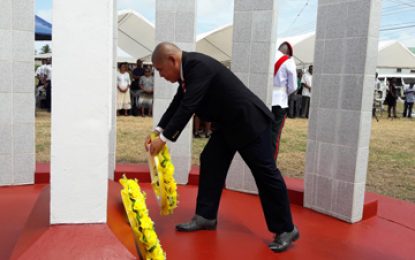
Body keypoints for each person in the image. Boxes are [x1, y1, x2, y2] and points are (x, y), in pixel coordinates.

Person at [145, 42, 299, 253]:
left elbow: (188, 106)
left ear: (172, 60)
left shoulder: (198, 66)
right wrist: (158, 130)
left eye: (160, 69)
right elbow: (177, 103)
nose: (160, 75)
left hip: (249, 123)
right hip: (228, 125)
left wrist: (163, 139)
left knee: (266, 174)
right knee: (211, 160)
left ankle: (286, 229)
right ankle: (206, 216)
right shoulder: (187, 72)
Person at [271, 42, 297, 163]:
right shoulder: (288, 61)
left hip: (265, 99)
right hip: (279, 101)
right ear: (287, 53)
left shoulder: (269, 56)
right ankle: (271, 162)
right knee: (275, 135)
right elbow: (293, 86)